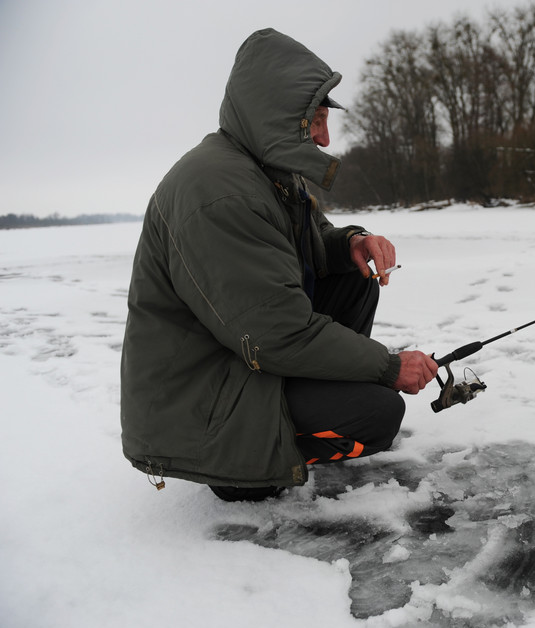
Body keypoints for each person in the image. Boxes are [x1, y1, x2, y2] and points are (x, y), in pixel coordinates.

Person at [120, 28, 438, 502]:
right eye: (315, 119)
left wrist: (350, 244)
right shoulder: (218, 192)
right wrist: (389, 368)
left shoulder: (266, 173)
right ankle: (242, 472)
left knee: (357, 279)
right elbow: (276, 334)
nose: (325, 137)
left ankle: (302, 406)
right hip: (200, 406)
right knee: (377, 412)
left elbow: (298, 250)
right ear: (277, 113)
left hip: (239, 363)